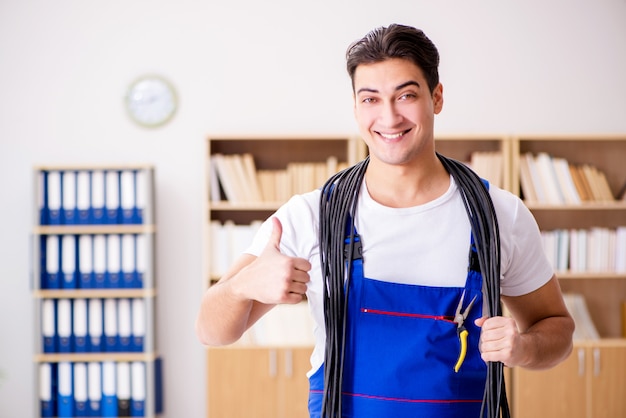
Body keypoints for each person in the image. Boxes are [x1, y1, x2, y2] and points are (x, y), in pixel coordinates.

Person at [195, 23, 574, 418]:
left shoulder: (499, 214)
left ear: (437, 97)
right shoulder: (312, 216)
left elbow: (557, 327)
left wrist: (524, 348)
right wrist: (242, 286)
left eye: (406, 95)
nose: (389, 117)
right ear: (356, 108)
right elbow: (210, 330)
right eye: (371, 99)